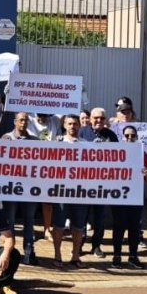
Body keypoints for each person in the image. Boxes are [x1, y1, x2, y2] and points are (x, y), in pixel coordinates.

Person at [111, 125, 147, 269]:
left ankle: (133, 256)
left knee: (134, 228)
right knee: (118, 227)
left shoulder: (141, 153)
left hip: (135, 197)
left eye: (132, 136)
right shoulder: (115, 152)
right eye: (127, 135)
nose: (130, 138)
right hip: (119, 196)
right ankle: (117, 256)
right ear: (122, 137)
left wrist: (146, 174)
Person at [1, 113, 40, 266]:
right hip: (11, 188)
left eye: (26, 120)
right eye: (21, 120)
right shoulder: (6, 138)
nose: (23, 123)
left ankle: (29, 251)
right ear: (15, 122)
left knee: (29, 221)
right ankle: (9, 251)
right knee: (9, 221)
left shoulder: (35, 141)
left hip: (30, 189)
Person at [52, 115, 88, 269]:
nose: (72, 126)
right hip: (61, 191)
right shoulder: (57, 143)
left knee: (78, 226)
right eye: (69, 124)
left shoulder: (87, 145)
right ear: (64, 125)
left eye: (75, 124)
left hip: (81, 192)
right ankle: (57, 255)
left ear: (79, 126)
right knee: (59, 225)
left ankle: (75, 256)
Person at [86, 107, 120, 259]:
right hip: (83, 184)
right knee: (82, 217)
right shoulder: (82, 132)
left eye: (102, 118)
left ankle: (96, 245)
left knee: (100, 218)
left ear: (105, 120)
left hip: (102, 184)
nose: (98, 121)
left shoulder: (111, 135)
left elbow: (118, 157)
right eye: (96, 118)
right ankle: (78, 245)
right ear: (90, 119)